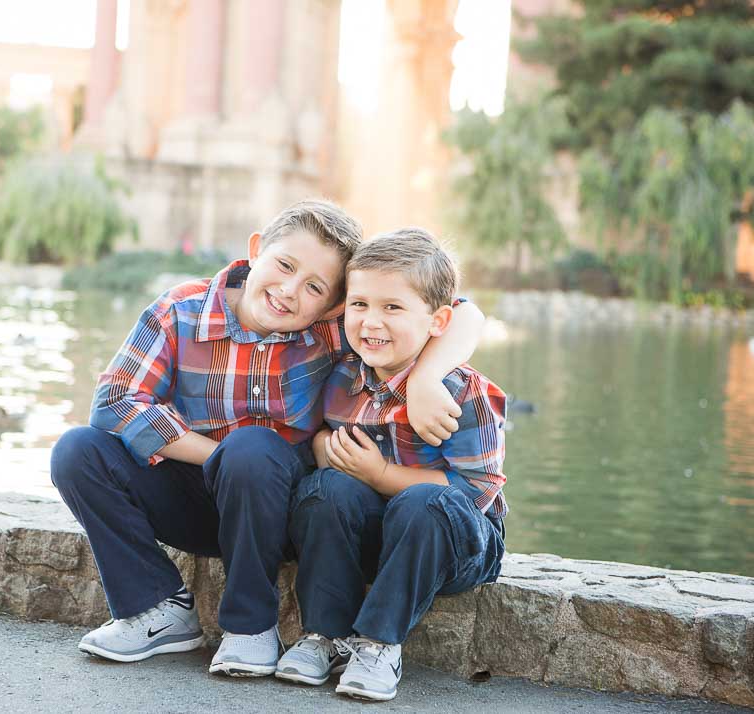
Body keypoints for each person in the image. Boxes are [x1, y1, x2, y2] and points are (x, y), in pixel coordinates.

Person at [50, 202, 486, 678]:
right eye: (284, 265)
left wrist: (427, 378)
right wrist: (220, 458)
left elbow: (463, 314)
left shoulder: (335, 329)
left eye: (315, 287)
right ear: (256, 250)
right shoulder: (181, 311)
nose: (289, 290)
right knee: (78, 451)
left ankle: (251, 630)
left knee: (254, 449)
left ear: (333, 304)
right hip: (201, 497)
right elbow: (114, 401)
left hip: (280, 510)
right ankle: (159, 609)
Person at [276, 227, 507, 701]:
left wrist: (381, 475)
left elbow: (472, 493)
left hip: (455, 542)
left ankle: (380, 643)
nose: (371, 321)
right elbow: (317, 442)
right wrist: (324, 446)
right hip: (374, 532)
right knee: (324, 490)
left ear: (438, 321)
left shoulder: (464, 394)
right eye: (359, 305)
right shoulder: (342, 374)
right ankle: (326, 634)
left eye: (392, 308)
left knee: (425, 502)